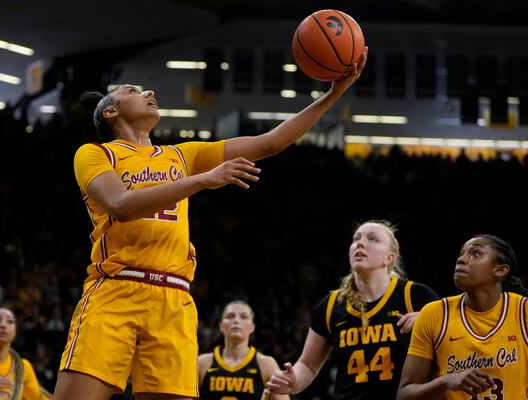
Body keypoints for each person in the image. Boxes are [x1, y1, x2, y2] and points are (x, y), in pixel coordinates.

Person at [52, 46, 368, 400]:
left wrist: (332, 94)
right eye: (134, 91)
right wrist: (202, 180)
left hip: (174, 296)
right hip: (116, 288)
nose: (149, 93)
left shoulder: (181, 155)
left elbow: (268, 143)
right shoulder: (96, 153)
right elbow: (121, 205)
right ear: (111, 111)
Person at [265, 220, 439, 400]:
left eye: (372, 239)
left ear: (389, 258)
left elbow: (455, 338)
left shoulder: (414, 295)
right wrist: (293, 381)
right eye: (356, 239)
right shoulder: (331, 305)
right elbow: (308, 365)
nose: (360, 243)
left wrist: (432, 323)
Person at [396, 234, 528, 400]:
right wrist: (445, 381)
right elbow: (404, 395)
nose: (461, 259)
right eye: (461, 254)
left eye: (475, 253)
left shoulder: (523, 311)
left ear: (500, 270)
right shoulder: (433, 314)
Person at [198, 300, 289, 400]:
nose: (236, 320)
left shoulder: (267, 364)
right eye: (230, 316)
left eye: (243, 317)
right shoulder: (202, 363)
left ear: (252, 327)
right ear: (221, 326)